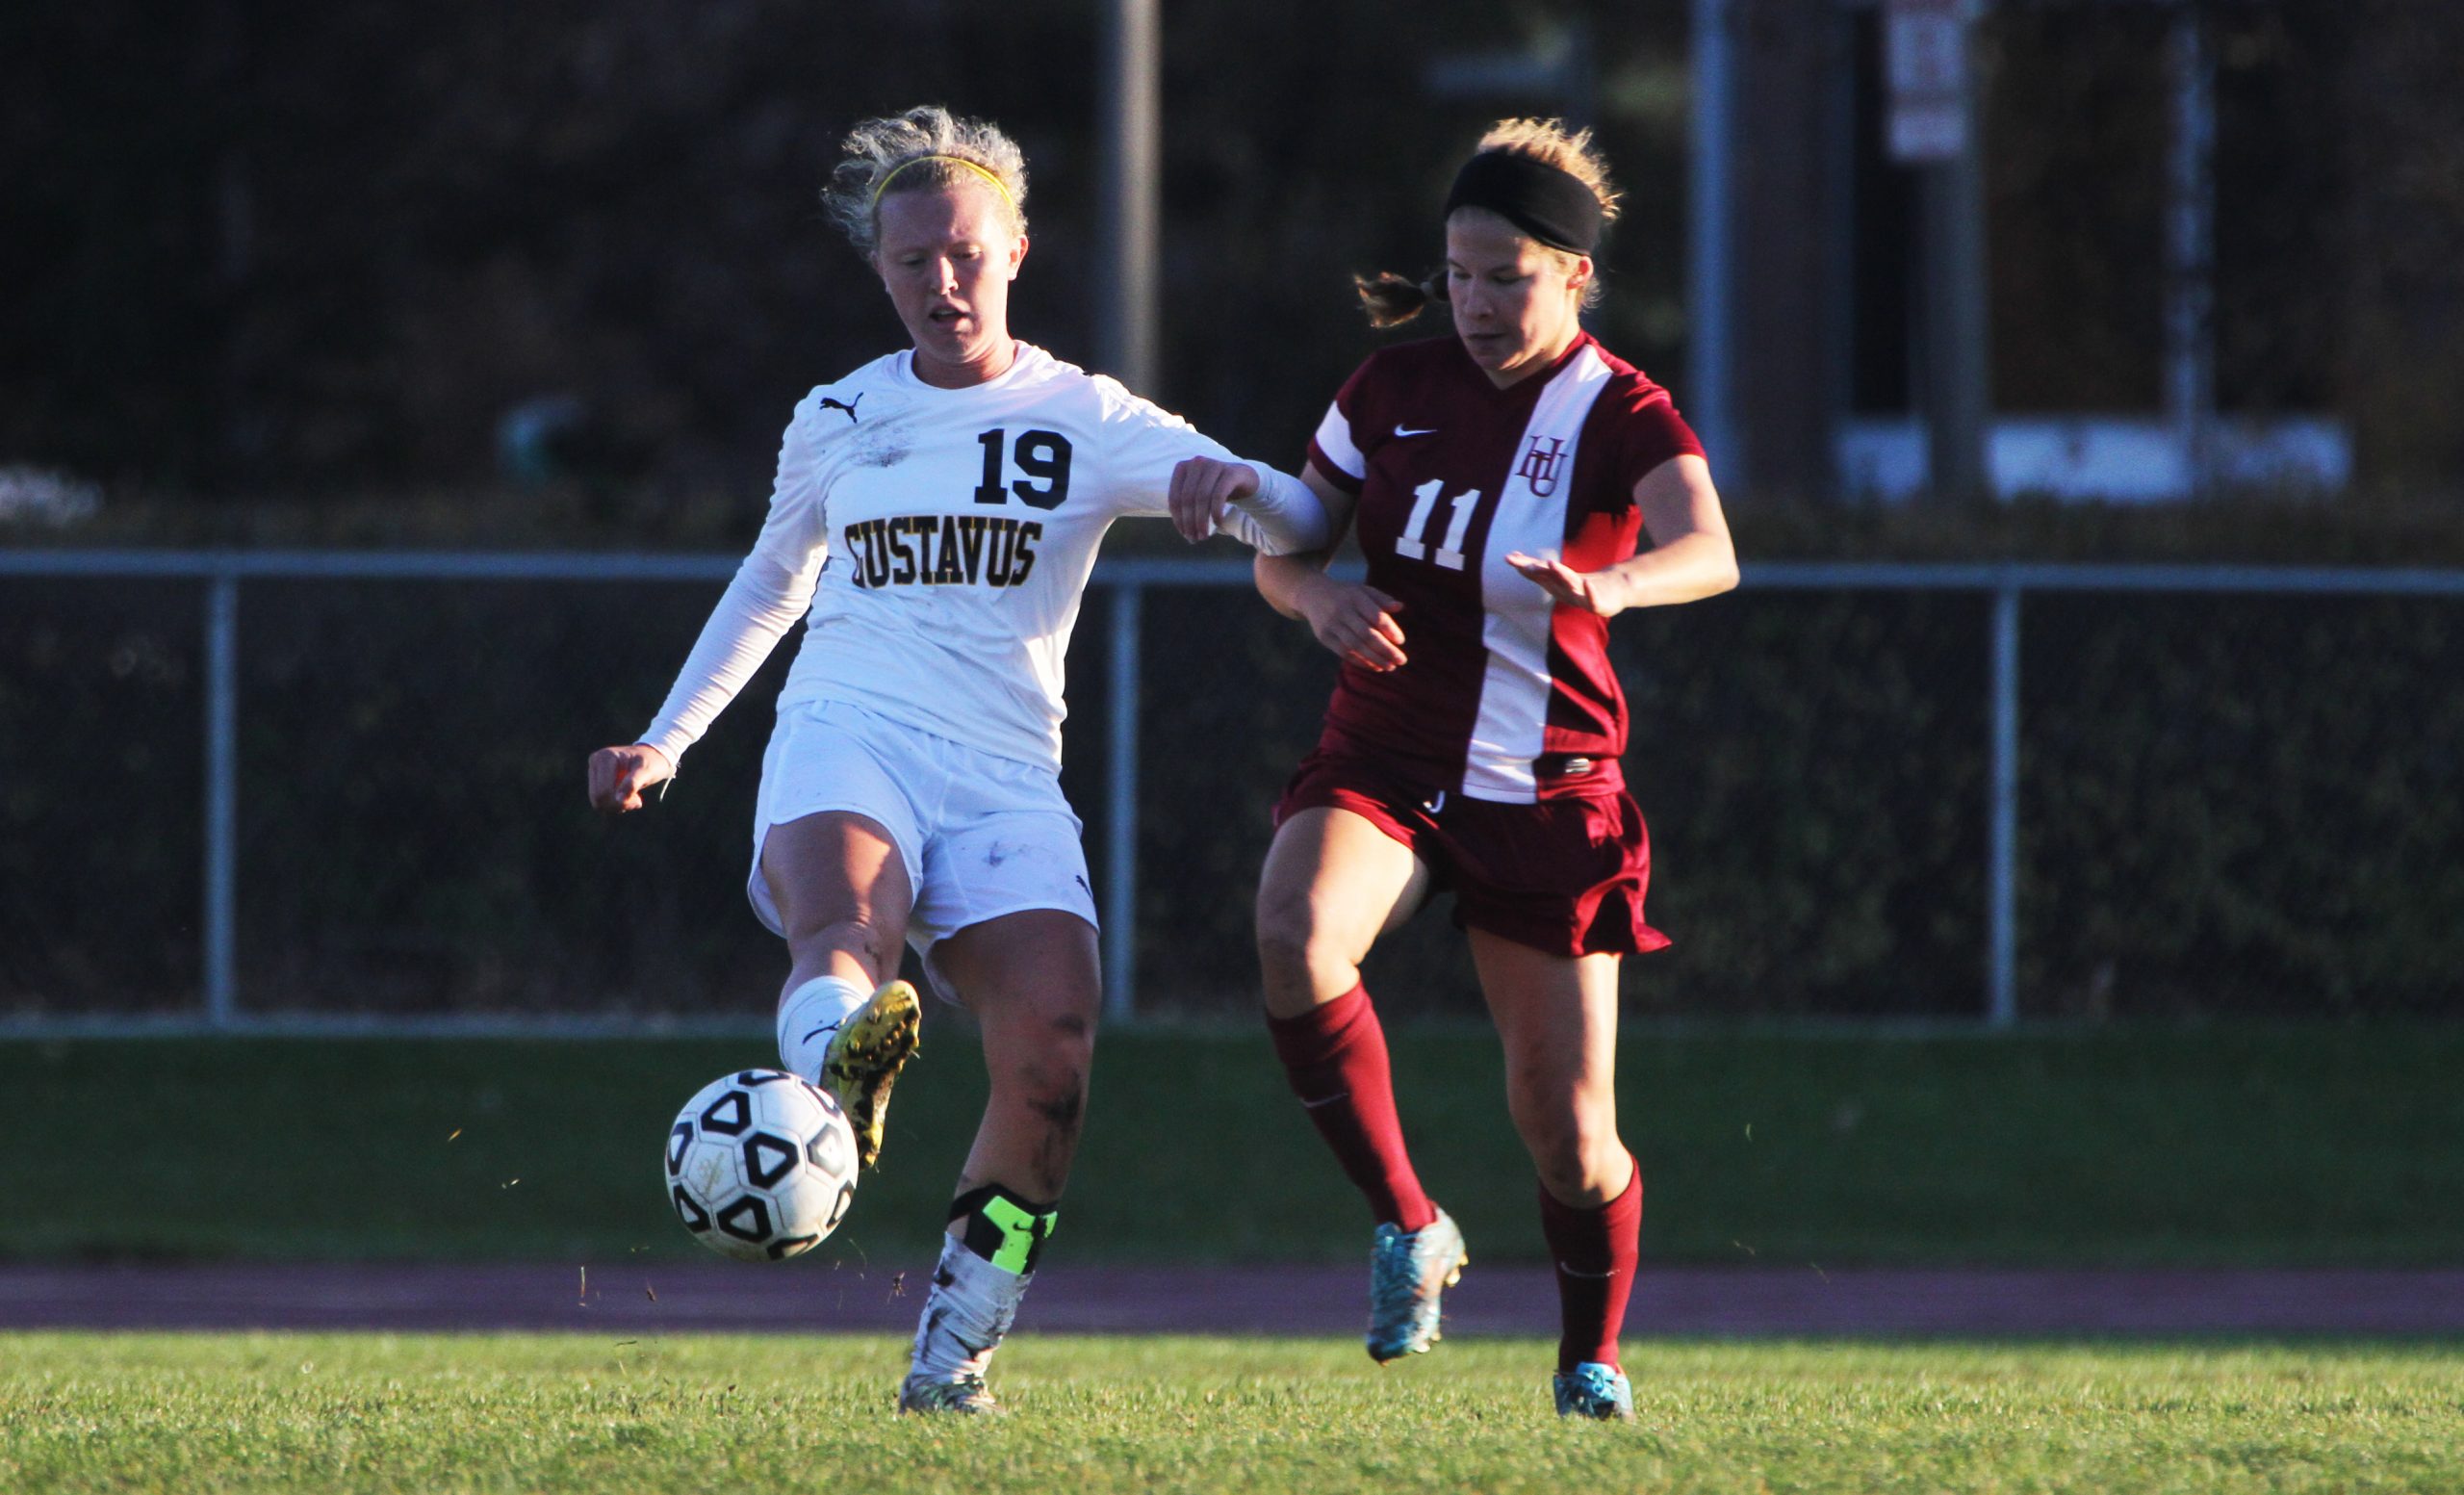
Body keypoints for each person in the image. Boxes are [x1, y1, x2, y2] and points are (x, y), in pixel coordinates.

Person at [587, 105, 1327, 1416]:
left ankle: (955, 1352)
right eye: (912, 260)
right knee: (847, 919)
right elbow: (775, 578)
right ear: (879, 271)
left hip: (1000, 772)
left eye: (966, 255)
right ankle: (841, 1059)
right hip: (848, 726)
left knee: (1053, 1052)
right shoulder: (836, 417)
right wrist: (669, 735)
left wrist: (1238, 490)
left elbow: (1304, 506)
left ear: (1019, 252)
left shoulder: (1084, 415)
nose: (942, 281)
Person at [1248, 118, 1739, 1422]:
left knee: (1572, 1134)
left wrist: (1613, 582)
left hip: (1550, 783)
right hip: (1391, 750)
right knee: (1296, 934)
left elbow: (1712, 547)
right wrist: (1320, 604)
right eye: (1458, 273)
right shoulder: (1388, 388)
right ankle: (1410, 1223)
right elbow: (1283, 548)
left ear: (1576, 275)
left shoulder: (1623, 407)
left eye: (1505, 277)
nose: (1472, 302)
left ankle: (1591, 1358)